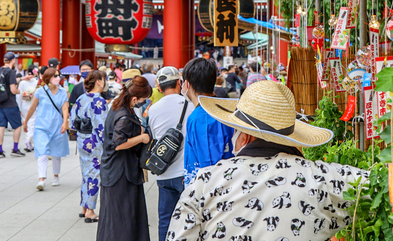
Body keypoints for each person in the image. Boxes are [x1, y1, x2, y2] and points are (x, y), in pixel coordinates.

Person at [167, 81, 367, 240]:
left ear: (245, 137)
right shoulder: (324, 178)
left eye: (235, 131)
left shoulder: (206, 181)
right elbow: (381, 184)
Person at [97, 76, 152, 241]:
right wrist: (142, 138)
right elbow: (119, 143)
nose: (144, 102)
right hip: (121, 172)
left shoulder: (117, 107)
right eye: (143, 99)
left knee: (114, 217)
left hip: (114, 169)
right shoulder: (123, 115)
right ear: (135, 98)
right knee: (124, 217)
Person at [147, 66, 194, 241]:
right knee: (189, 219)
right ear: (179, 83)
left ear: (159, 87)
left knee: (165, 219)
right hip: (185, 172)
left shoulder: (153, 109)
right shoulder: (190, 105)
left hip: (163, 171)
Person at [181, 58, 234, 187]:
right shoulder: (219, 109)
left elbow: (209, 167)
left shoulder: (202, 117)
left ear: (187, 84)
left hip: (206, 193)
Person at [69, 70, 108, 223]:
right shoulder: (99, 101)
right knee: (94, 175)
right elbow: (102, 127)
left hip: (82, 139)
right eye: (104, 79)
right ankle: (90, 210)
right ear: (99, 82)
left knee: (86, 173)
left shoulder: (81, 98)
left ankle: (84, 206)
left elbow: (72, 122)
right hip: (95, 142)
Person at [23, 68, 69, 190]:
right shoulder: (40, 92)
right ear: (48, 78)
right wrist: (26, 122)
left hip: (57, 126)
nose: (58, 78)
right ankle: (41, 179)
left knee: (56, 153)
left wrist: (65, 122)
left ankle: (55, 175)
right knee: (42, 152)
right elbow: (32, 108)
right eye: (55, 76)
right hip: (41, 126)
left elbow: (65, 109)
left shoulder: (63, 92)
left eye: (59, 76)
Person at [0, 52, 33, 158]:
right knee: (17, 126)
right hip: (10, 103)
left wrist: (22, 78)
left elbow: (7, 82)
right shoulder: (11, 72)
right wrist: (20, 91)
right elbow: (13, 89)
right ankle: (15, 149)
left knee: (1, 126)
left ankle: (0, 150)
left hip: (0, 103)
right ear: (13, 60)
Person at [16, 65, 39, 152]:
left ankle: (29, 143)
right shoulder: (36, 82)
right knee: (32, 123)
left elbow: (18, 97)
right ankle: (29, 139)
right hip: (33, 105)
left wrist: (19, 107)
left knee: (26, 122)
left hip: (24, 104)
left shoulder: (22, 83)